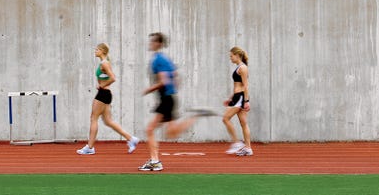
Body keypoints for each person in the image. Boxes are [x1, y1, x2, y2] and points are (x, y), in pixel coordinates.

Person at [138, 32, 215, 171]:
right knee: (171, 133)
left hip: (166, 99)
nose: (151, 44)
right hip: (169, 98)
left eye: (153, 42)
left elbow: (162, 81)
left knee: (150, 130)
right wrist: (172, 90)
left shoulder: (157, 59)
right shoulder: (166, 59)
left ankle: (155, 161)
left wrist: (149, 89)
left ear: (159, 44)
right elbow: (175, 77)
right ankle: (197, 115)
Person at [77, 43, 139, 155]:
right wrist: (101, 84)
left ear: (103, 51)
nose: (95, 51)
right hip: (106, 94)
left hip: (103, 94)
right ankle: (131, 139)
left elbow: (113, 78)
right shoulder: (103, 63)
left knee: (93, 118)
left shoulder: (104, 64)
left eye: (97, 49)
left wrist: (102, 85)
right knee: (108, 121)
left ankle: (90, 147)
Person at [222, 46, 253, 156]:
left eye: (231, 56)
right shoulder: (238, 67)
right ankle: (248, 148)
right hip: (237, 96)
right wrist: (230, 98)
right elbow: (237, 85)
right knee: (243, 123)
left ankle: (236, 143)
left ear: (237, 55)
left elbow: (245, 86)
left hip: (240, 97)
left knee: (225, 118)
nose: (230, 58)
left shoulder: (243, 68)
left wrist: (246, 101)